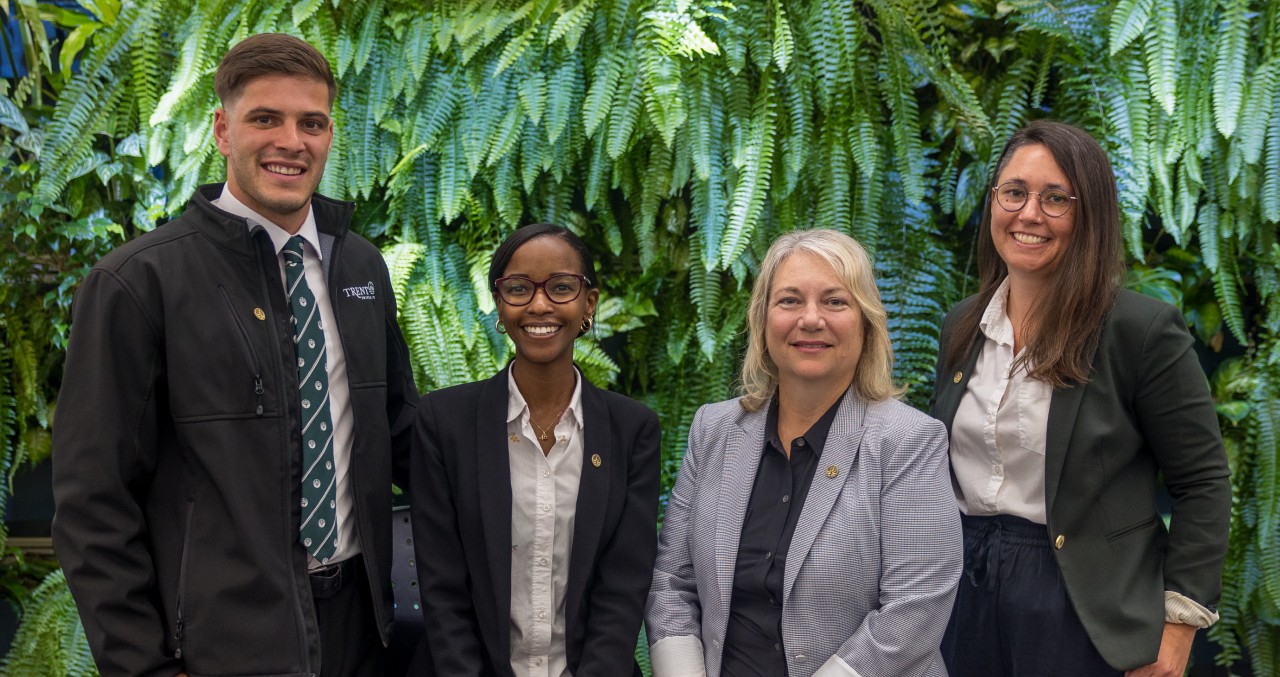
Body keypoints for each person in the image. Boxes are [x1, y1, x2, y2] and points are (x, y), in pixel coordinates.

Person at [50, 33, 419, 677]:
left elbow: (401, 428)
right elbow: (92, 504)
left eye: (311, 123)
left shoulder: (360, 266)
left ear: (330, 135)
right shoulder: (137, 284)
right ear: (223, 131)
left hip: (362, 634)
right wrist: (142, 667)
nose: (291, 141)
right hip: (223, 647)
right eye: (265, 119)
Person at [931, 120, 1232, 676]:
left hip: (1082, 604)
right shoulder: (962, 326)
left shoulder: (1139, 330)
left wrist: (1178, 629)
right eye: (1014, 192)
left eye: (1055, 199)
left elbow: (1203, 482)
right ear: (993, 200)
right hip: (963, 592)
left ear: (1089, 214)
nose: (1029, 214)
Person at [646, 229, 962, 677]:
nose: (811, 319)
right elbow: (672, 583)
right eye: (790, 300)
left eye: (835, 301)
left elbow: (914, 610)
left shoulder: (909, 442)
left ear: (866, 322)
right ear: (763, 319)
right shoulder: (713, 430)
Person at [410, 223, 662, 676]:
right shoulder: (443, 423)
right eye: (519, 288)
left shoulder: (631, 431)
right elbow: (443, 591)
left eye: (561, 287)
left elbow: (622, 590)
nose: (540, 305)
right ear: (499, 303)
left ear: (589, 304)